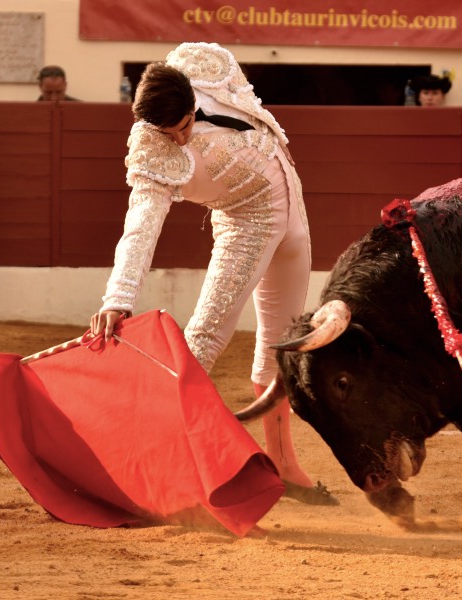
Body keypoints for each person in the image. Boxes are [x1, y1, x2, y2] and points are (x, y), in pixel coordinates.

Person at [89, 42, 337, 506]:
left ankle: (283, 462)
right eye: (168, 133)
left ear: (191, 100)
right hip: (244, 227)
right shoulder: (151, 146)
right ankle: (150, 466)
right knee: (203, 338)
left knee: (280, 346)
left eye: (183, 127)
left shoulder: (207, 64)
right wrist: (118, 296)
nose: (179, 141)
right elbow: (141, 223)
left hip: (294, 220)